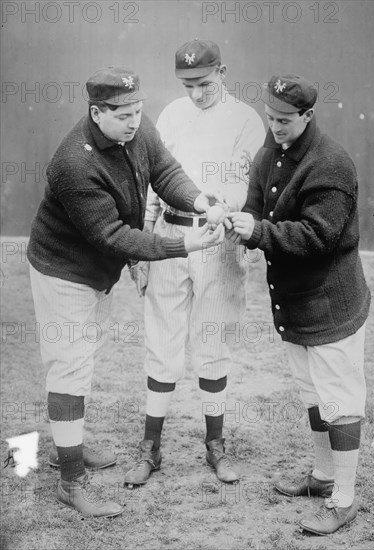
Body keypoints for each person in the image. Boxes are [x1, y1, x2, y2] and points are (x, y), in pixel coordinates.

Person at [27, 65, 225, 517]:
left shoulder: (135, 127)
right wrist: (182, 244)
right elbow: (114, 236)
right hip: (65, 271)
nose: (135, 121)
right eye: (123, 114)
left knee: (81, 359)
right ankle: (70, 481)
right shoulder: (74, 162)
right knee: (69, 369)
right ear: (97, 113)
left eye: (138, 110)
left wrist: (200, 202)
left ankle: (65, 448)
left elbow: (166, 171)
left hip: (96, 271)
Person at [229, 74, 371, 535]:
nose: (275, 127)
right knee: (312, 393)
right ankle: (323, 474)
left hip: (331, 304)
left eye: (285, 120)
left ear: (308, 115)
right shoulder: (271, 151)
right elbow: (254, 206)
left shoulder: (330, 164)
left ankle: (344, 499)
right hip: (293, 303)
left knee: (340, 399)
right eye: (270, 117)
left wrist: (256, 233)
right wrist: (235, 221)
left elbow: (317, 237)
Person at [126, 40, 265, 487]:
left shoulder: (245, 120)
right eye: (187, 85)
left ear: (222, 72)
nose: (196, 93)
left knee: (212, 341)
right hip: (169, 233)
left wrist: (229, 212)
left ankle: (215, 445)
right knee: (161, 342)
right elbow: (152, 183)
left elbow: (249, 184)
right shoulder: (169, 115)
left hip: (218, 240)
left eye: (204, 83)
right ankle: (151, 448)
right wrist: (143, 245)